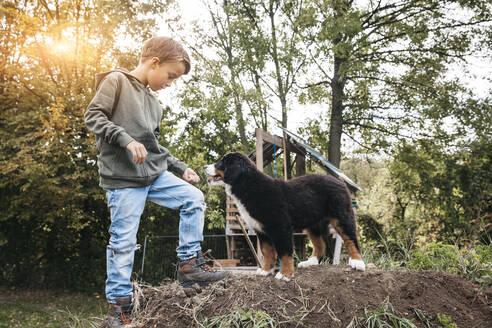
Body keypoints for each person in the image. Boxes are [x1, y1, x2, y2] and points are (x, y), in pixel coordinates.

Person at [84, 36, 229, 327]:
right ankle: (119, 308)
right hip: (123, 179)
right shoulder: (116, 81)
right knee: (124, 241)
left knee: (193, 199)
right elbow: (93, 116)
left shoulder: (153, 103)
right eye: (171, 75)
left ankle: (190, 265)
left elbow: (154, 149)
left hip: (153, 175)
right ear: (154, 63)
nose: (170, 83)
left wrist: (180, 167)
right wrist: (125, 140)